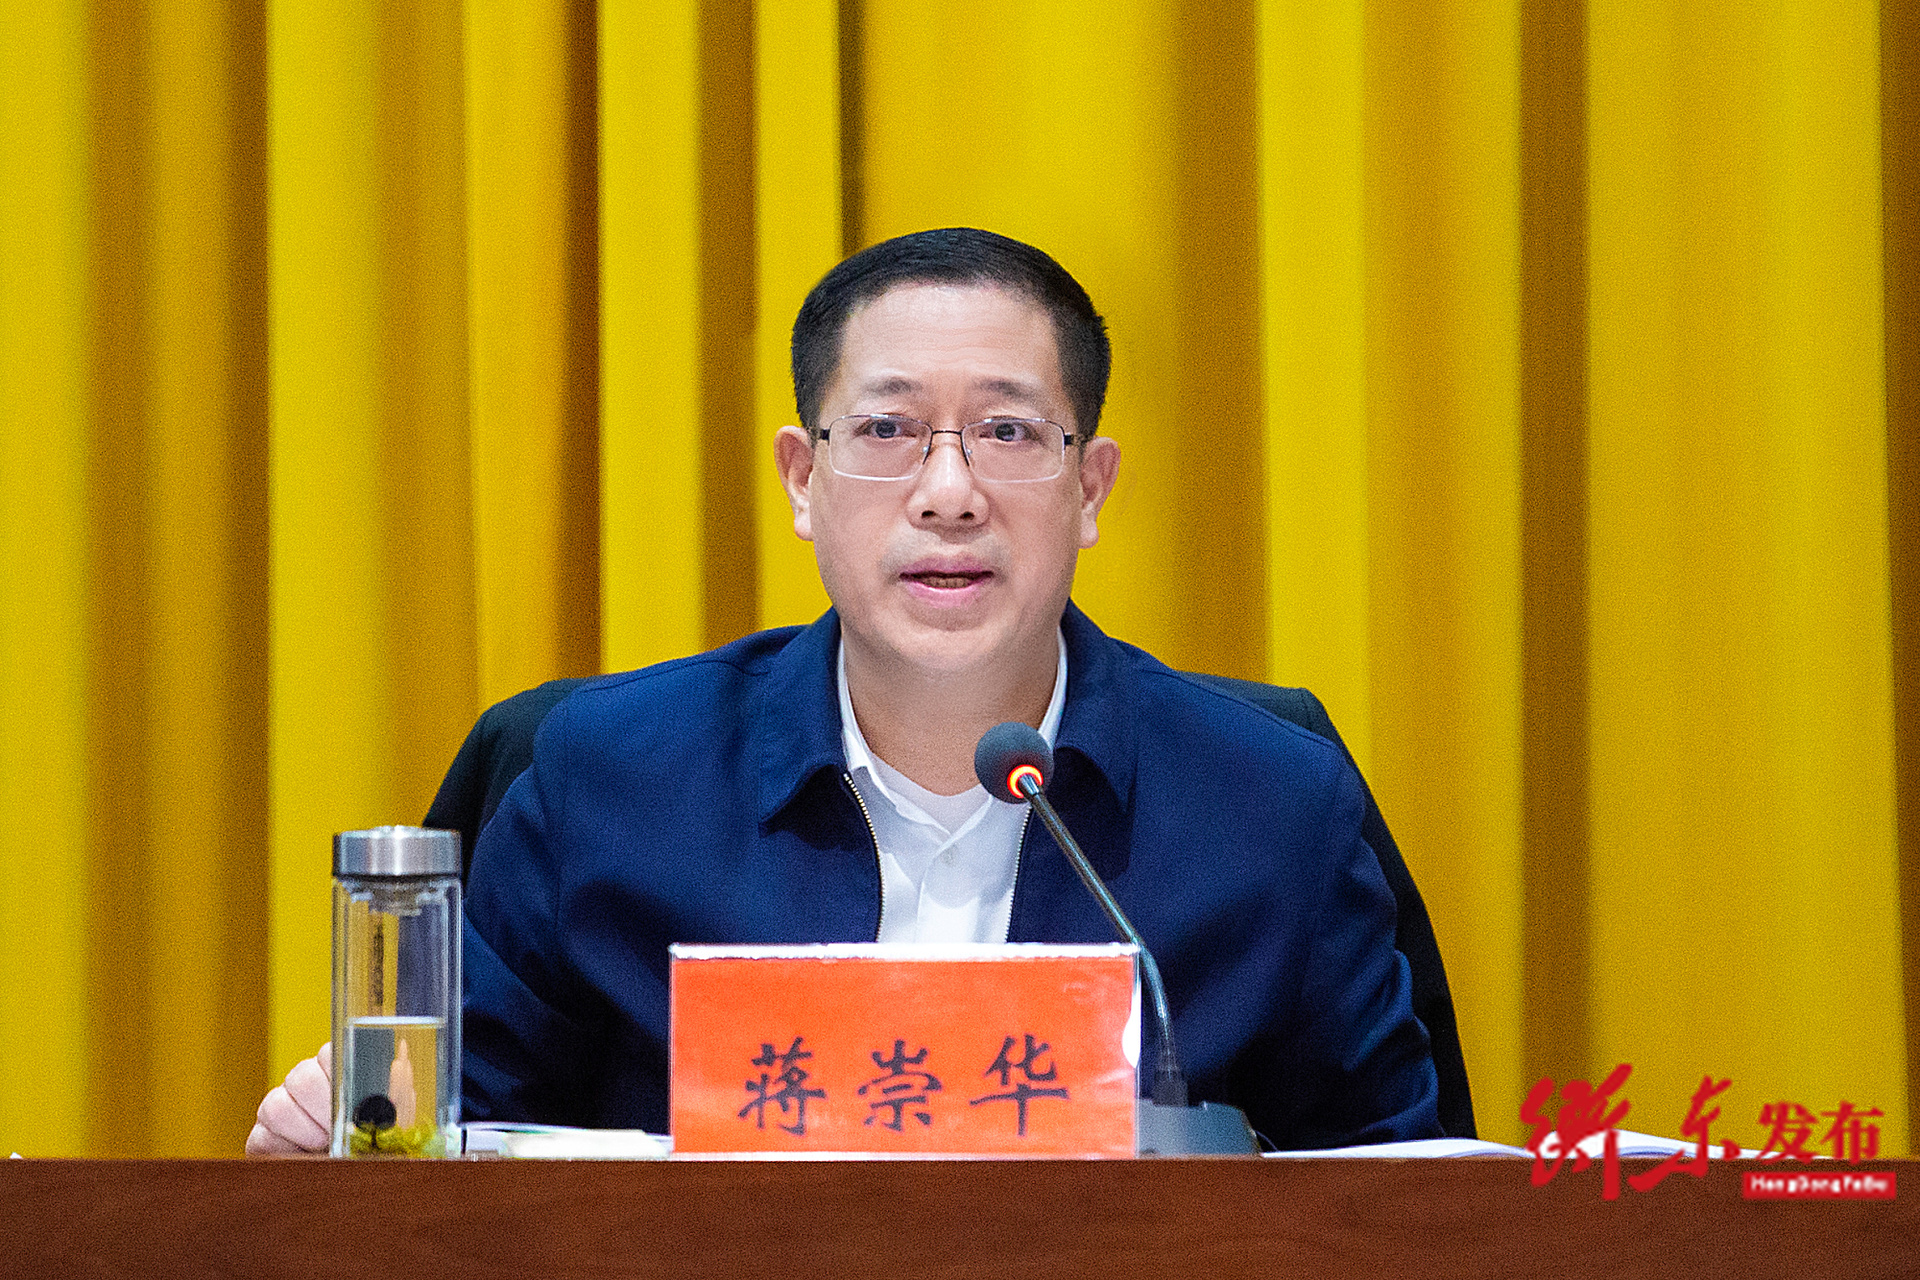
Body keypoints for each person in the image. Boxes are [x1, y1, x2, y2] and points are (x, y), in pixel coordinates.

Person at [249, 228, 1440, 1154]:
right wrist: (338, 1137)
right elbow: (430, 1161)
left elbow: (1409, 1203)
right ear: (801, 479)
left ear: (1090, 488)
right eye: (886, 428)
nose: (948, 490)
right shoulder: (605, 780)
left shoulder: (1270, 807)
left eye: (1009, 432)